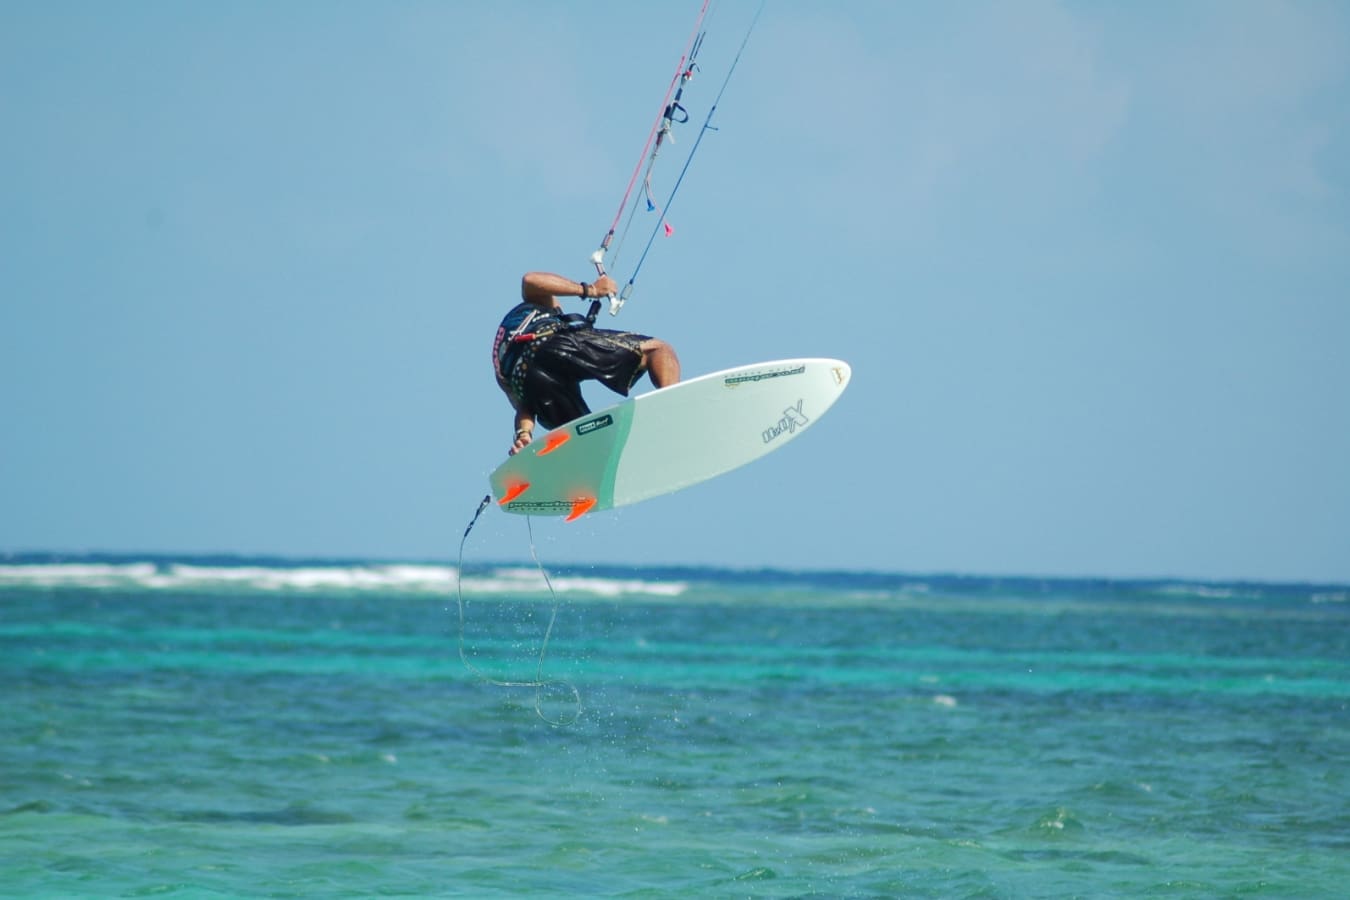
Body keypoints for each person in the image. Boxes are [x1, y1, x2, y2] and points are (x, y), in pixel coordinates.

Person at [492, 271, 681, 455]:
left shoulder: (502, 358)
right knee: (657, 350)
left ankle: (589, 469)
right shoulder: (541, 305)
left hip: (527, 384)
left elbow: (526, 406)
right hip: (548, 344)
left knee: (587, 435)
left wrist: (524, 435)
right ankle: (673, 406)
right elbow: (530, 279)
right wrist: (590, 290)